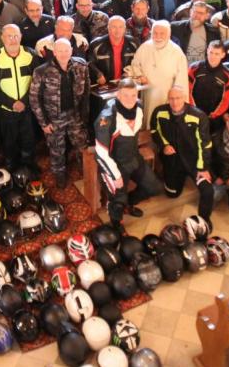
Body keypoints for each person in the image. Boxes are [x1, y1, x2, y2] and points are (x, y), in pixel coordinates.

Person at [94, 79, 163, 230]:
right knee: (117, 200)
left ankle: (128, 204)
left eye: (134, 95)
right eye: (125, 95)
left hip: (134, 158)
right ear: (118, 95)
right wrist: (115, 175)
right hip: (114, 164)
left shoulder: (138, 106)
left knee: (155, 187)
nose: (130, 99)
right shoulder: (106, 118)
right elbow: (101, 153)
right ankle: (116, 223)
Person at [30, 38, 90, 187]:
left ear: (71, 50)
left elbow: (87, 92)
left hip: (75, 115)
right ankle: (60, 175)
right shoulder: (41, 71)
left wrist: (85, 115)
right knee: (57, 149)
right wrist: (44, 123)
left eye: (66, 50)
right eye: (60, 51)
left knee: (82, 144)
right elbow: (34, 99)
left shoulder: (81, 66)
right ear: (54, 52)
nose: (64, 54)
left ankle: (87, 169)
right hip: (53, 118)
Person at [150, 86, 214, 220]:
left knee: (207, 190)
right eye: (171, 98)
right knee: (172, 194)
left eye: (178, 98)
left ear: (184, 98)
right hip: (173, 160)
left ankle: (204, 221)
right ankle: (180, 177)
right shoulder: (159, 112)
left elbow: (205, 144)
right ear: (168, 99)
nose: (175, 102)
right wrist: (164, 145)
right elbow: (154, 131)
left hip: (194, 161)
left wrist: (203, 168)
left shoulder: (198, 116)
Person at [0, 24, 42, 170]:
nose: (13, 39)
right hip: (6, 110)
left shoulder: (31, 55)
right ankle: (11, 166)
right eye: (9, 36)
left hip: (27, 108)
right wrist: (11, 103)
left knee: (29, 138)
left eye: (16, 35)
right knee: (9, 141)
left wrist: (24, 102)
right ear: (2, 38)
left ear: (21, 36)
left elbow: (38, 82)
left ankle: (29, 164)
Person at [127, 20, 189, 128]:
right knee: (147, 124)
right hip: (147, 93)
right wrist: (140, 75)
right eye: (155, 33)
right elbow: (135, 65)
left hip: (166, 96)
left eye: (162, 33)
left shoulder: (177, 52)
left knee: (164, 125)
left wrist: (176, 98)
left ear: (169, 34)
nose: (158, 36)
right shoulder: (145, 47)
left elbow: (181, 80)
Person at [188, 40, 229, 133]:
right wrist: (194, 109)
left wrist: (215, 114)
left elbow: (226, 99)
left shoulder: (228, 76)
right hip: (194, 112)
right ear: (207, 50)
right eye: (211, 52)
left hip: (214, 117)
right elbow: (187, 90)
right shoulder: (194, 68)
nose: (212, 56)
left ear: (223, 55)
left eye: (217, 54)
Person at [88, 16, 139, 85]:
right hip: (105, 85)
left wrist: (131, 72)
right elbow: (89, 62)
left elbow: (139, 62)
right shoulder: (96, 44)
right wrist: (98, 74)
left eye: (120, 27)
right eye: (114, 27)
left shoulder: (134, 43)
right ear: (108, 28)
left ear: (125, 29)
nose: (117, 30)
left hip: (126, 84)